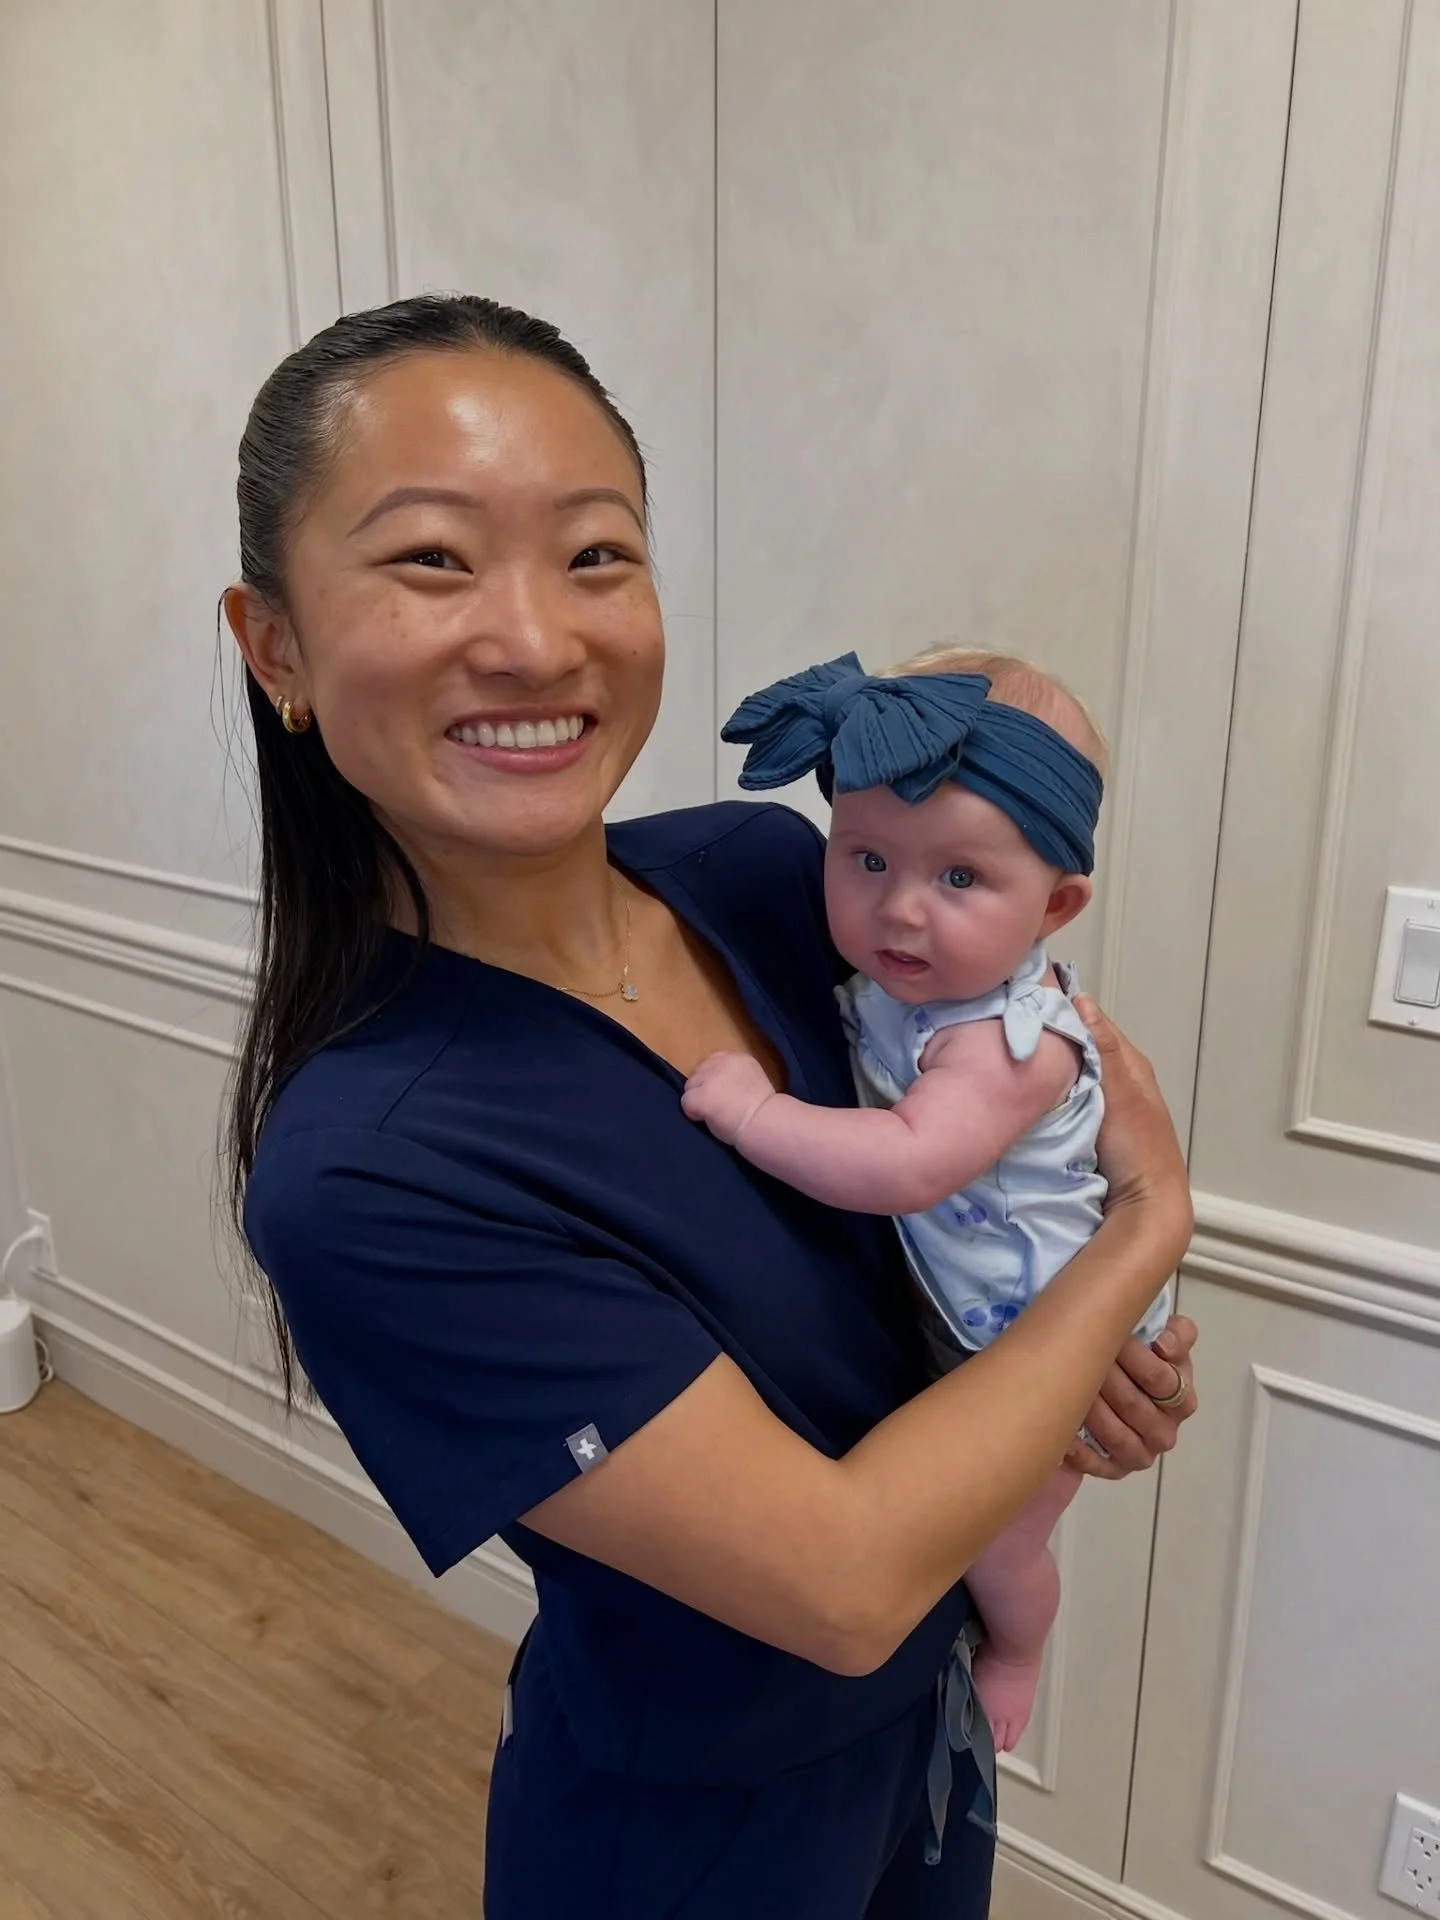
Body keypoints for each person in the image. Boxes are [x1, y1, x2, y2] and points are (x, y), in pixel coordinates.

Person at [223, 293, 1198, 1919]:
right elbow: (839, 1579)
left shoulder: (769, 880)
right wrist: (1149, 1232)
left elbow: (948, 1243)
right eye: (433, 559)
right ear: (278, 649)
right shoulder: (372, 1171)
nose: (537, 638)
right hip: (694, 1841)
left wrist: (1081, 1372)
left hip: (931, 1729)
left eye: (596, 554)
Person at [683, 647, 1173, 1755]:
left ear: (1056, 904)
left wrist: (752, 1115)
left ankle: (1018, 1649)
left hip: (1056, 1337)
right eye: (864, 858)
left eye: (960, 880)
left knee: (1002, 1552)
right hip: (961, 1317)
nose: (900, 910)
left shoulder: (1012, 1046)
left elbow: (908, 1162)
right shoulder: (906, 990)